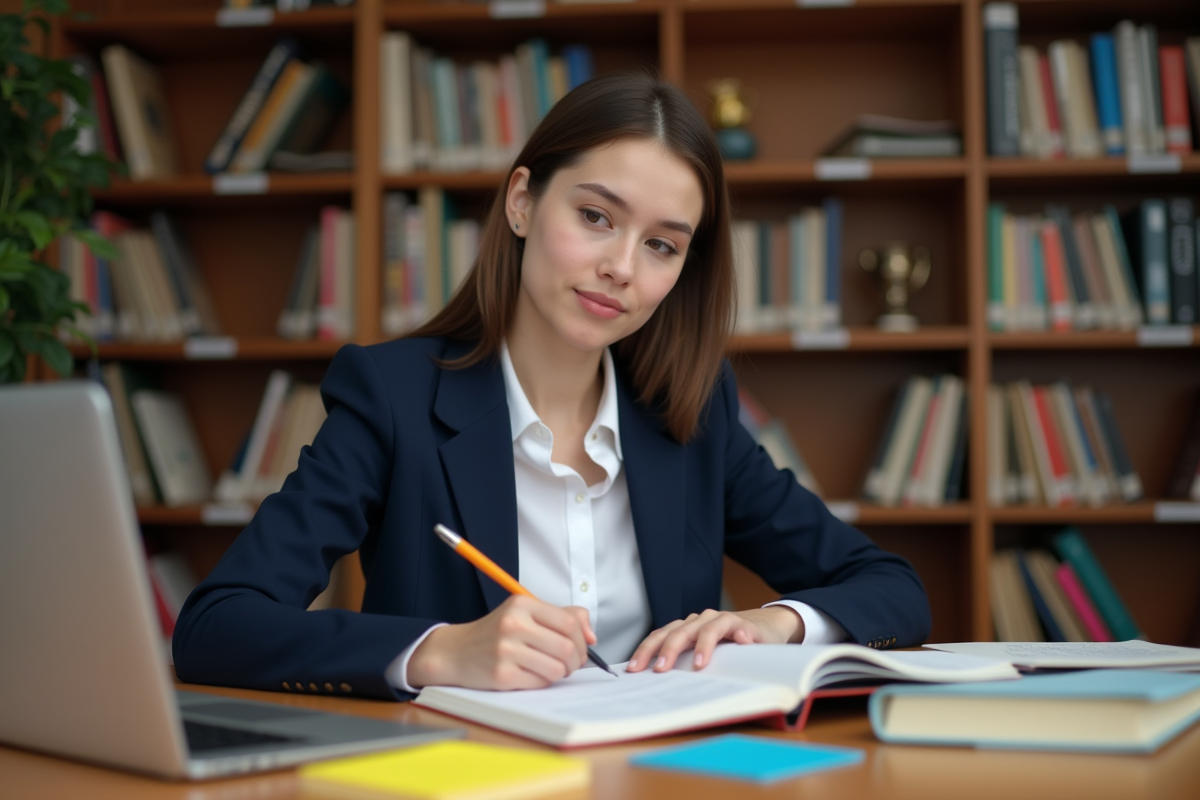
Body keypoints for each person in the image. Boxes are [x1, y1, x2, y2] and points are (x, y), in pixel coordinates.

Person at [173, 72, 930, 700]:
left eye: (662, 245)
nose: (623, 268)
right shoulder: (392, 396)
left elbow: (891, 587)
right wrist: (438, 652)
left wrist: (775, 625)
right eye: (597, 216)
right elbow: (217, 626)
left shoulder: (692, 415)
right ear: (523, 201)